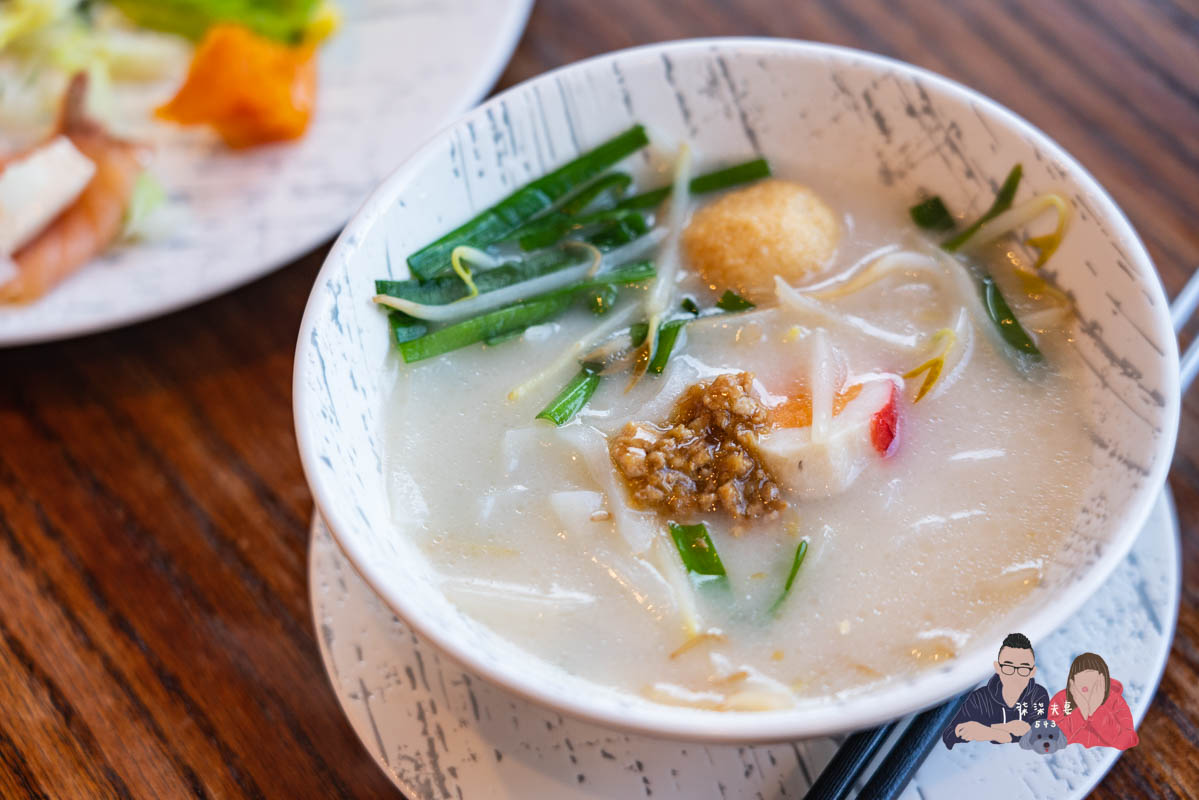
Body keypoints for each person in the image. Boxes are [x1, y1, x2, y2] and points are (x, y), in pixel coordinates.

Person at [942, 633, 1049, 749]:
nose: (1015, 675)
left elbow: (1039, 733)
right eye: (1008, 667)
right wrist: (997, 732)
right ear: (998, 668)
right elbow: (948, 734)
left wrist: (990, 731)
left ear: (1032, 671)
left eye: (1023, 669)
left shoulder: (1037, 696)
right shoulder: (979, 698)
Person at [1047, 653, 1138, 749]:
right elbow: (1051, 739)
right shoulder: (1061, 700)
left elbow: (1128, 741)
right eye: (1079, 676)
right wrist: (1081, 713)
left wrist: (1096, 711)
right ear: (1072, 681)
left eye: (1090, 677)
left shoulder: (1114, 701)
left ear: (1102, 680)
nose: (1084, 681)